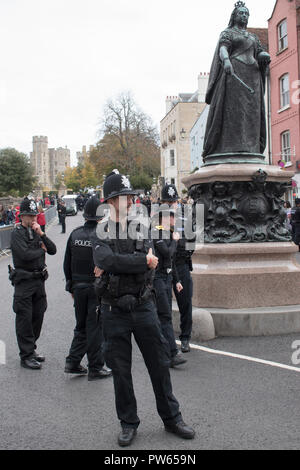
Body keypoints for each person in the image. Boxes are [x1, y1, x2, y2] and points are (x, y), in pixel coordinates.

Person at [91, 172, 195, 447]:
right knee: (121, 371)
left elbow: (152, 259)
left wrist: (122, 263)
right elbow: (105, 258)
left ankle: (172, 417)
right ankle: (128, 422)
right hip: (114, 310)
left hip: (142, 304)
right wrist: (139, 262)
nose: (131, 199)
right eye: (125, 196)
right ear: (112, 201)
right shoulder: (101, 229)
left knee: (160, 364)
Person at [202, 1, 271, 164]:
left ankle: (250, 147)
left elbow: (259, 52)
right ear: (234, 16)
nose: (244, 16)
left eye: (246, 13)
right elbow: (223, 48)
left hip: (252, 77)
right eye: (241, 13)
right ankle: (231, 146)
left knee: (251, 113)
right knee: (234, 113)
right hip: (234, 74)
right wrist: (226, 60)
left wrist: (264, 55)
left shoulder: (253, 37)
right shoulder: (228, 33)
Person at [63, 197, 112, 381]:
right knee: (95, 329)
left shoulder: (75, 235)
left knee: (81, 326)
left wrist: (71, 286)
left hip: (78, 287)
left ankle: (73, 362)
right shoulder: (102, 236)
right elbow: (108, 263)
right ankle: (96, 367)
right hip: (95, 288)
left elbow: (67, 263)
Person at [10, 198, 56, 369]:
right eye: (30, 216)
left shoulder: (37, 232)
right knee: (24, 318)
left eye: (35, 215)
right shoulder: (17, 233)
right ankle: (26, 355)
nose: (33, 219)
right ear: (22, 216)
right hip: (24, 281)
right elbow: (24, 255)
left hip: (39, 281)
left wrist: (42, 235)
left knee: (38, 315)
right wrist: (39, 249)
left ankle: (31, 348)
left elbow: (52, 250)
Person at [152, 209, 187, 367]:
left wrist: (176, 280)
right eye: (170, 216)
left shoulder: (168, 233)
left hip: (166, 277)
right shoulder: (157, 233)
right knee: (164, 316)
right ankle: (172, 353)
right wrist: (175, 241)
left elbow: (171, 261)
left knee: (162, 317)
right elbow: (167, 253)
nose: (173, 218)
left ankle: (163, 351)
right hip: (158, 278)